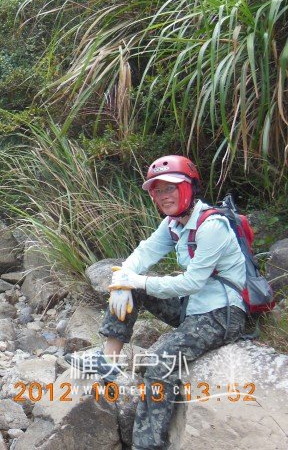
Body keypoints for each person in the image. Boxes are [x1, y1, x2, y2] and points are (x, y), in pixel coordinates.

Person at [68, 155, 246, 450]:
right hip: (192, 309)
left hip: (221, 314)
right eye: (158, 190)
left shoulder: (212, 226)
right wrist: (123, 279)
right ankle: (109, 359)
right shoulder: (173, 224)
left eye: (170, 188)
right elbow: (144, 252)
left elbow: (192, 282)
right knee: (130, 284)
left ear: (189, 187)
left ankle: (147, 444)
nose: (164, 196)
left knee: (161, 362)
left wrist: (138, 281)